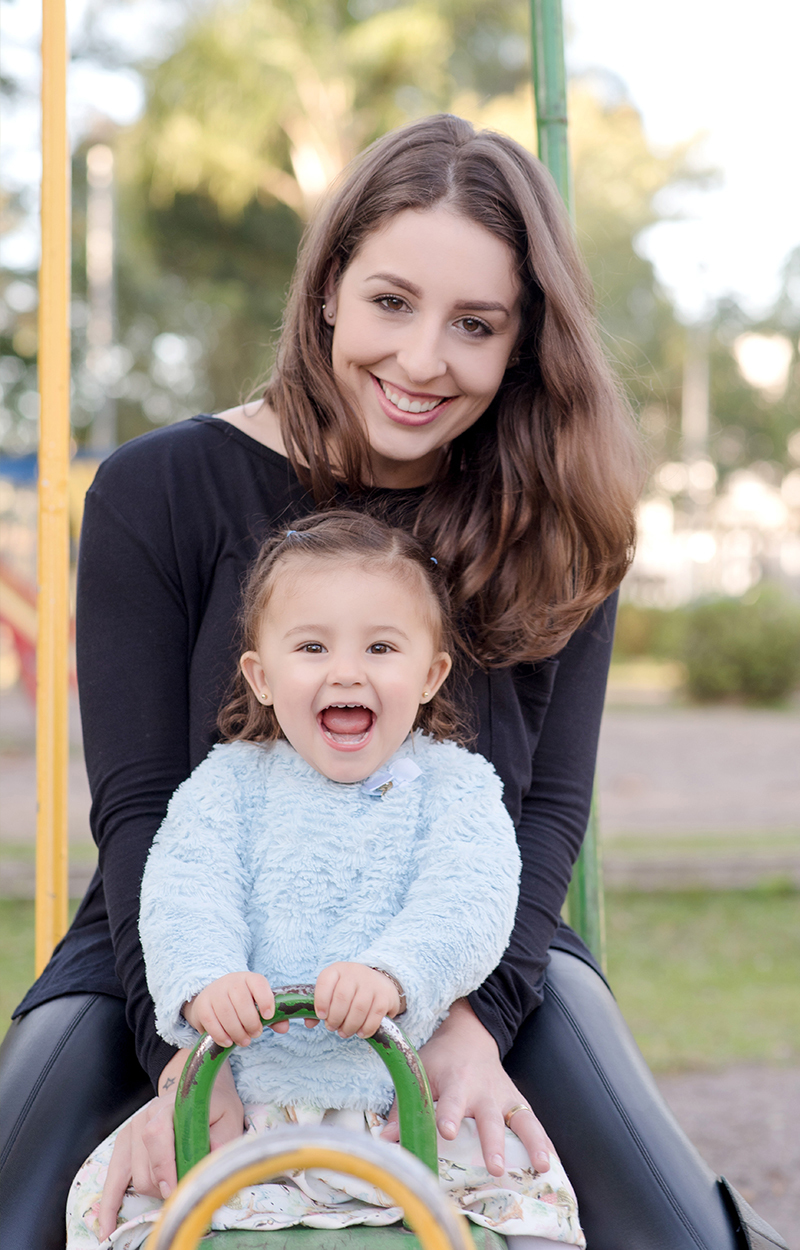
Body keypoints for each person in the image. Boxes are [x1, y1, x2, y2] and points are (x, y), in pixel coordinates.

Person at [5, 113, 773, 1250]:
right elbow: (140, 809)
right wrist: (180, 1050)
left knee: (671, 1229)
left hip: (472, 937)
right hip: (186, 940)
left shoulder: (558, 515)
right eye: (390, 302)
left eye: (474, 325)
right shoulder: (156, 489)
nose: (421, 360)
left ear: (522, 343)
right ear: (327, 291)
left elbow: (546, 810)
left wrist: (477, 1016)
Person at [65, 510, 585, 1249]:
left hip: (407, 1107)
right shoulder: (228, 786)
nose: (346, 671)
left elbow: (470, 899)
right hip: (250, 1099)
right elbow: (184, 888)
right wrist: (206, 980)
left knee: (528, 1199)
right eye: (312, 647)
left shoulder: (456, 788)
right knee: (113, 1211)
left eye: (380, 646)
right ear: (264, 676)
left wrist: (396, 973)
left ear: (431, 674)